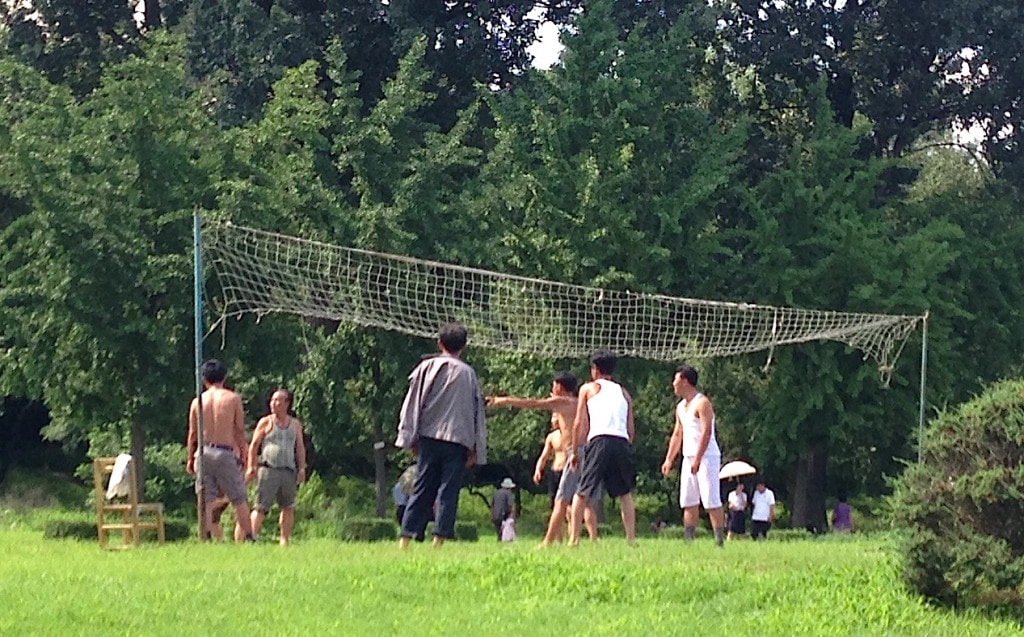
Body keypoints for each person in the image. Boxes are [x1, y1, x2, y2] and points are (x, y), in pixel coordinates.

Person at [395, 323, 487, 549]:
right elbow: (477, 413)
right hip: (457, 440)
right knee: (448, 490)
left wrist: (409, 435)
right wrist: (477, 447)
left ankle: (405, 538)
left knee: (422, 486)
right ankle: (439, 540)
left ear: (439, 343)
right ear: (464, 346)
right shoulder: (469, 374)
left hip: (429, 436)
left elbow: (412, 403)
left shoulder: (426, 367)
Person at [487, 372, 598, 546]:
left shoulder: (563, 402)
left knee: (561, 500)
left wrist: (504, 400)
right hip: (590, 452)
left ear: (559, 387)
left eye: (554, 385)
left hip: (574, 453)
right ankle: (578, 539)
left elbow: (533, 403)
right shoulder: (581, 403)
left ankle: (547, 542)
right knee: (582, 498)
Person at [568, 349, 637, 546]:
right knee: (625, 493)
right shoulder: (624, 392)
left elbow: (579, 422)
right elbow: (631, 425)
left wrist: (575, 451)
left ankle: (573, 538)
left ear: (595, 369)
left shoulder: (588, 389)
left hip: (599, 439)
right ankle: (631, 538)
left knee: (583, 490)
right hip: (621, 440)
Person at [186, 359, 256, 542]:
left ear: (204, 379)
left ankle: (206, 535)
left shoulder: (197, 402)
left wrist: (190, 459)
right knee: (238, 496)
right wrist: (244, 454)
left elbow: (193, 434)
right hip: (224, 451)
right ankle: (249, 536)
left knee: (205, 496)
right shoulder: (233, 399)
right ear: (224, 377)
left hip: (203, 450)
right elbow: (239, 430)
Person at [660, 364, 726, 546]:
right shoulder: (681, 407)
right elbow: (677, 434)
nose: (673, 384)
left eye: (676, 379)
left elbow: (706, 432)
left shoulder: (702, 403)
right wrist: (669, 459)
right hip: (688, 457)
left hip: (707, 457)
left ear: (685, 381)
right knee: (688, 500)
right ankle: (688, 540)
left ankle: (719, 540)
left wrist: (698, 458)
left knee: (711, 499)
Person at [246, 388, 307, 546]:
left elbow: (300, 447)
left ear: (287, 403)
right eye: (272, 400)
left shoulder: (295, 424)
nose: (273, 404)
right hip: (269, 470)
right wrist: (251, 466)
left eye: (278, 400)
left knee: (288, 507)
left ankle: (284, 540)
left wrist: (302, 468)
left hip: (288, 471)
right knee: (260, 507)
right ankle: (251, 538)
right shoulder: (266, 422)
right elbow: (254, 445)